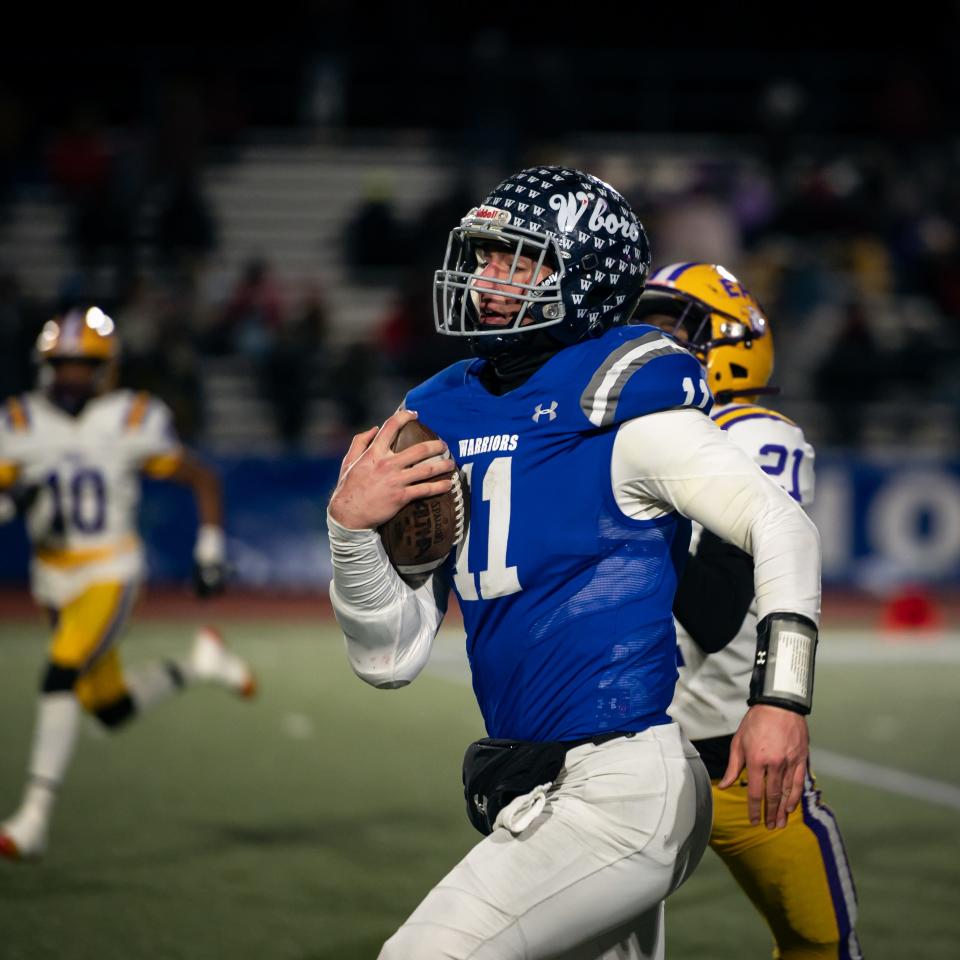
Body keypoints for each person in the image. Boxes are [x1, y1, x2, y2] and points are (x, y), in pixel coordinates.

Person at [326, 167, 821, 960]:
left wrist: (781, 698)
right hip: (536, 780)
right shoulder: (443, 412)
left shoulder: (619, 398)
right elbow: (389, 657)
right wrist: (350, 533)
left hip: (625, 782)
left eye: (519, 261)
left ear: (588, 276)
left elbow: (781, 524)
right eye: (485, 256)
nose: (489, 278)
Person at [634, 262, 862, 959]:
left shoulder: (753, 429)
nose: (651, 344)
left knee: (819, 943)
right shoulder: (639, 432)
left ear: (727, 342)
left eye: (673, 329)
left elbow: (717, 607)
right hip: (634, 745)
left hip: (732, 750)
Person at [0, 307, 255, 862]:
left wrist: (209, 547)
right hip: (52, 578)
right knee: (107, 707)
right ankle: (199, 663)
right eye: (63, 364)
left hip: (109, 570)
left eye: (82, 365)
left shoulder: (129, 416)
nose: (71, 376)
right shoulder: (18, 423)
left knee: (61, 669)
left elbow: (201, 477)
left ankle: (34, 818)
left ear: (105, 369)